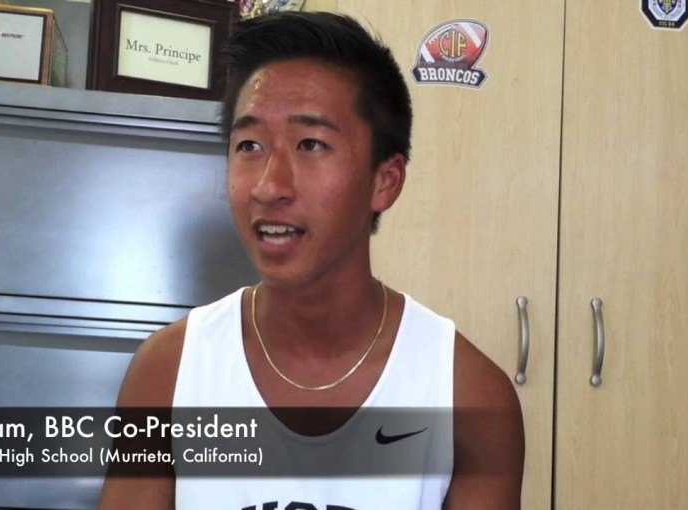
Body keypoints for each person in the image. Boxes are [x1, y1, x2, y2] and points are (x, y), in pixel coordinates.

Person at [98, 11, 524, 510]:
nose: (269, 186)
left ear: (384, 181)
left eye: (311, 144)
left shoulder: (468, 396)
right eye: (249, 145)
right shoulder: (168, 372)